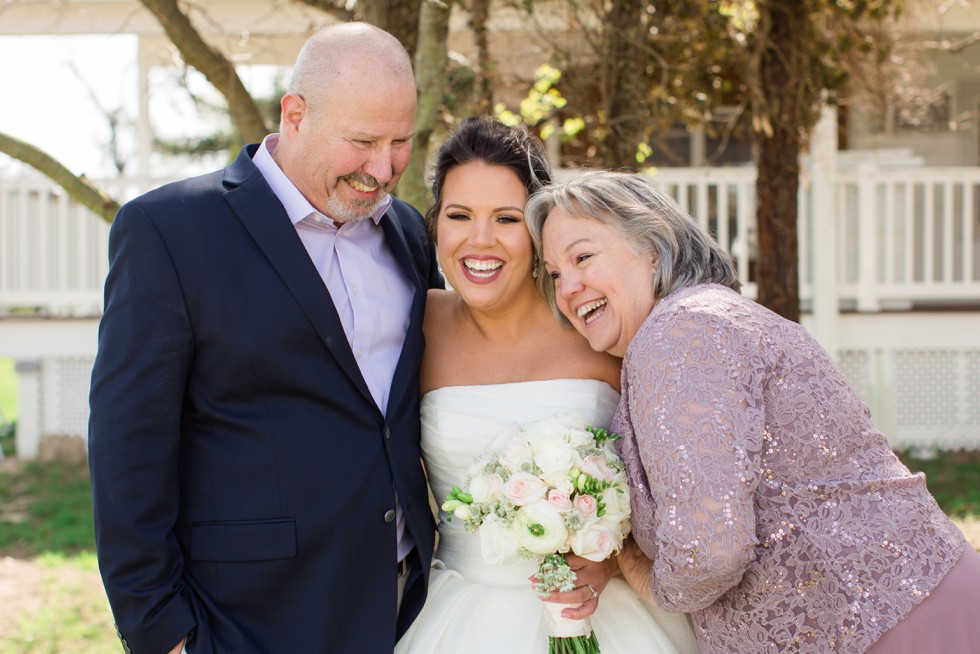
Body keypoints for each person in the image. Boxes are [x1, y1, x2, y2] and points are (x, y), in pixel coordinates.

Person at [88, 23, 442, 654]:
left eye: (401, 142)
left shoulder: (409, 233)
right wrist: (163, 633)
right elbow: (127, 454)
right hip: (245, 620)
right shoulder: (168, 232)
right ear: (295, 114)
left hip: (403, 608)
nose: (383, 167)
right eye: (361, 141)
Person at [527, 170, 980, 654]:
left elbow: (709, 553)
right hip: (899, 604)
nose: (568, 287)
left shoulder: (680, 335)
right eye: (555, 274)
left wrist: (631, 567)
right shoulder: (701, 319)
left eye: (583, 257)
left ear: (653, 248)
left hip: (882, 625)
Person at [393, 117, 700, 654]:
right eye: (459, 215)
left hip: (612, 614)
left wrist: (612, 554)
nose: (479, 240)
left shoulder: (596, 326)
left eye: (506, 218)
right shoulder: (414, 327)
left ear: (537, 232)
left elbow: (677, 481)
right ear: (435, 224)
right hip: (463, 616)